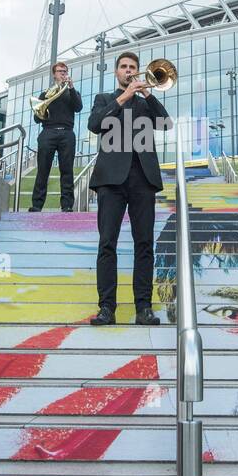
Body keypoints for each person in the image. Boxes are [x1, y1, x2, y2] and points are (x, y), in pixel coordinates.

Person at [86, 51, 169, 326]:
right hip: (111, 179)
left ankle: (143, 307)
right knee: (107, 243)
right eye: (124, 67)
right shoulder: (106, 99)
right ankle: (106, 308)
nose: (129, 71)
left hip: (143, 179)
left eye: (133, 67)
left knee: (144, 244)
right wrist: (124, 96)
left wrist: (146, 94)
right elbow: (95, 124)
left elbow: (166, 123)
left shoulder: (147, 102)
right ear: (116, 72)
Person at [29, 61, 83, 212]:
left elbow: (78, 107)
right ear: (54, 74)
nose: (63, 73)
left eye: (65, 71)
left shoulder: (72, 93)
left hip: (67, 133)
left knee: (67, 171)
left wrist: (71, 87)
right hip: (48, 132)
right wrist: (45, 103)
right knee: (43, 170)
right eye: (60, 71)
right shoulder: (45, 94)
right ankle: (37, 205)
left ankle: (67, 205)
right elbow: (37, 119)